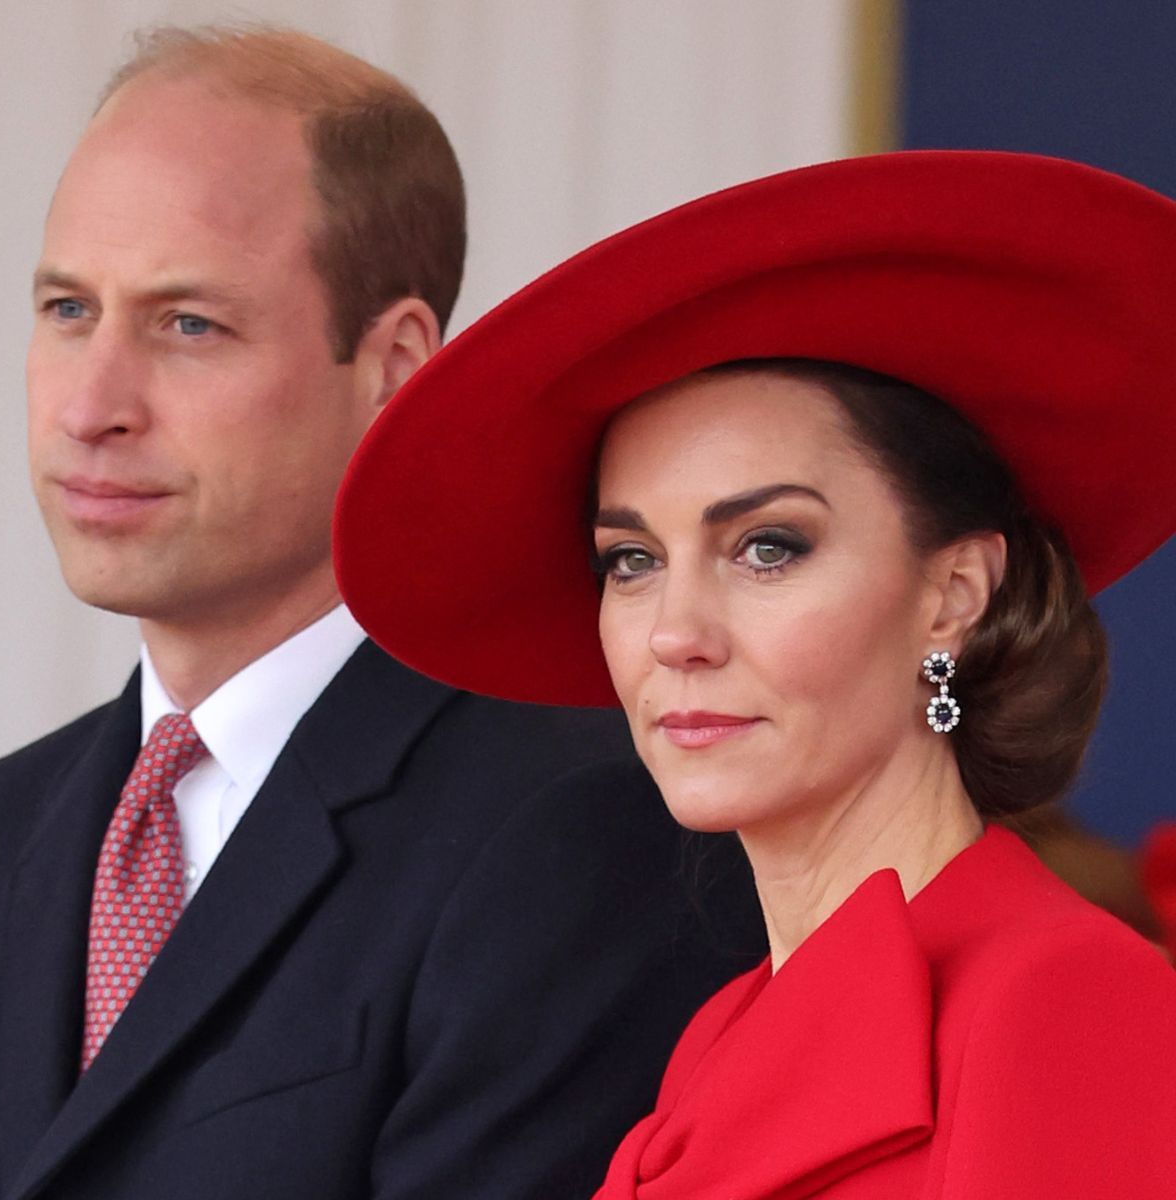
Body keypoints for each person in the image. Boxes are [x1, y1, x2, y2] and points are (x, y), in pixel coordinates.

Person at [0, 25, 764, 1200]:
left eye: (188, 324)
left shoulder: (581, 830)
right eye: (68, 308)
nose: (92, 406)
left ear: (396, 364)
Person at [334, 149, 1176, 1197]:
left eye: (767, 547)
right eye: (630, 561)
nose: (676, 634)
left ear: (955, 594)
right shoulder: (722, 1033)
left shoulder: (1066, 997)